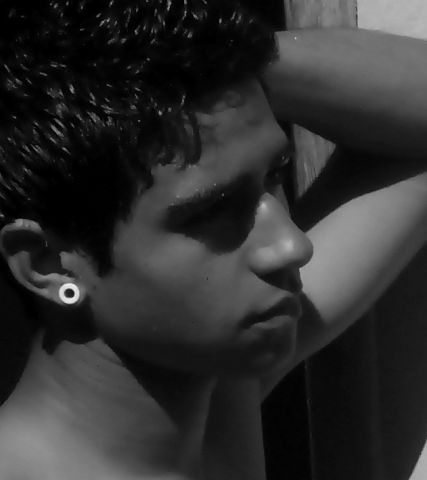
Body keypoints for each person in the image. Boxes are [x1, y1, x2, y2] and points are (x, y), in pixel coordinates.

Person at [0, 1, 426, 479]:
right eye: (211, 213)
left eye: (275, 176)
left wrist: (202, 59)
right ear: (49, 264)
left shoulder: (213, 391)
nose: (293, 246)